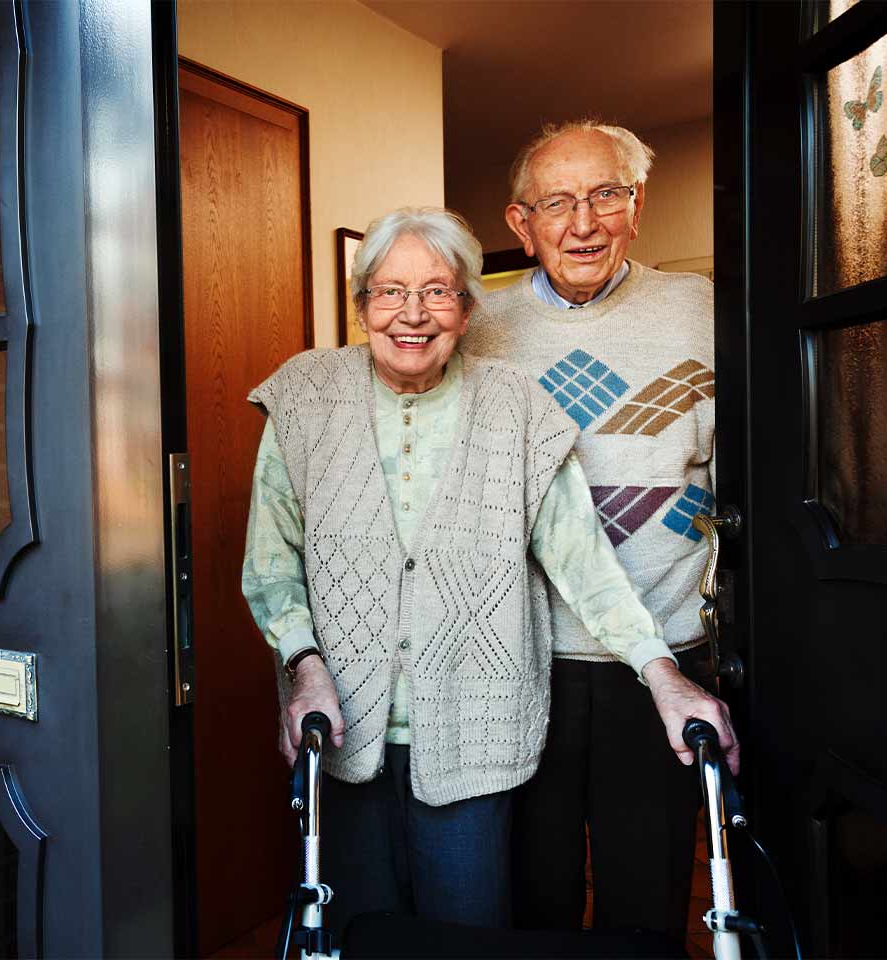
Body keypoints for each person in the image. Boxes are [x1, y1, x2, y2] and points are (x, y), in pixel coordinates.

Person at [241, 206, 734, 937]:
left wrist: (663, 676)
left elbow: (582, 561)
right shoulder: (305, 394)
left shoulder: (518, 406)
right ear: (362, 304)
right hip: (341, 729)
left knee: (468, 935)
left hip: (476, 733)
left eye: (438, 291)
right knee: (357, 937)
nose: (413, 313)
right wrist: (303, 665)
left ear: (468, 308)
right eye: (389, 291)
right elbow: (270, 561)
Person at [461, 120, 735, 941]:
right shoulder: (478, 331)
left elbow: (750, 469)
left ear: (638, 206)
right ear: (520, 223)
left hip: (663, 653)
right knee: (532, 894)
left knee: (647, 895)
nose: (583, 224)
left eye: (606, 195)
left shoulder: (706, 309)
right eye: (558, 203)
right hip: (523, 655)